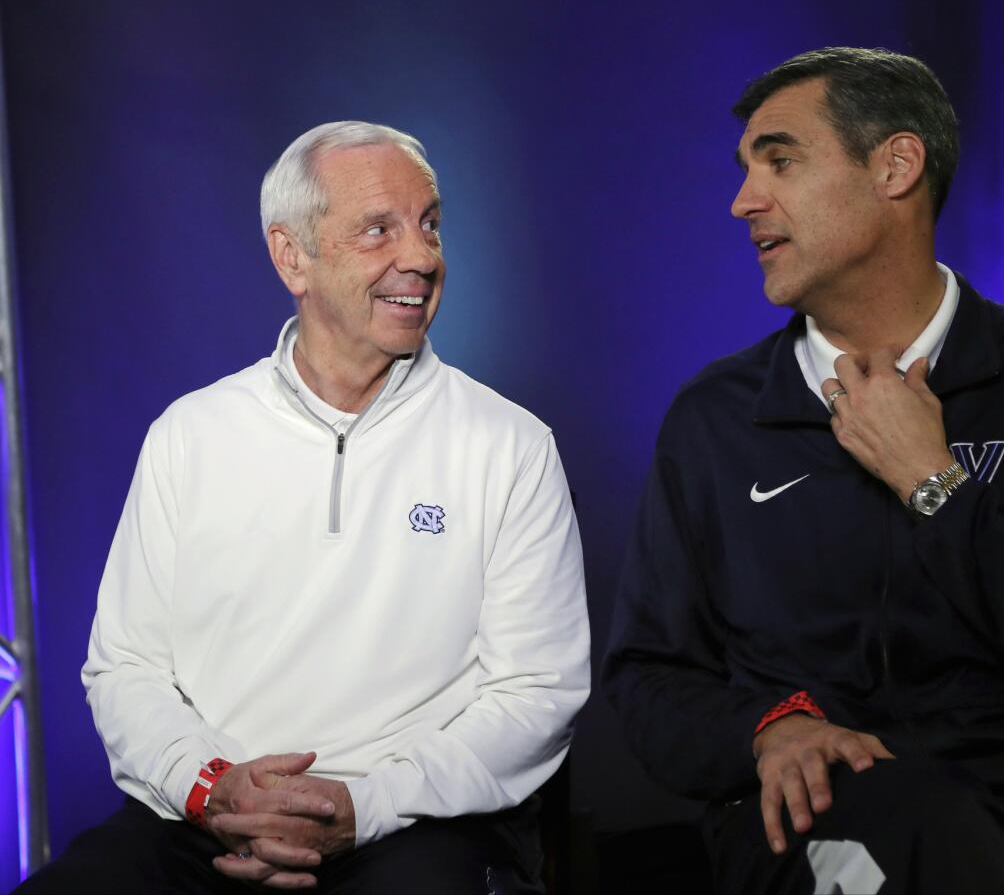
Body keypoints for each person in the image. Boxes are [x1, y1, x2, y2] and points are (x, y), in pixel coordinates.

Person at [603, 47, 1004, 894]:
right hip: (807, 823)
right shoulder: (714, 416)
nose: (743, 201)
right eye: (746, 169)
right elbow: (649, 678)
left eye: (781, 161)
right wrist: (767, 729)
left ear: (895, 166)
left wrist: (934, 485)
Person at [19, 121, 590, 894]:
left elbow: (536, 695)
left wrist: (363, 802)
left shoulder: (512, 446)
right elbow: (126, 667)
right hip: (207, 820)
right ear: (293, 257)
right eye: (379, 229)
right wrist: (212, 785)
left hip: (409, 826)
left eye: (430, 225)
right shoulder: (191, 434)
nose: (421, 257)